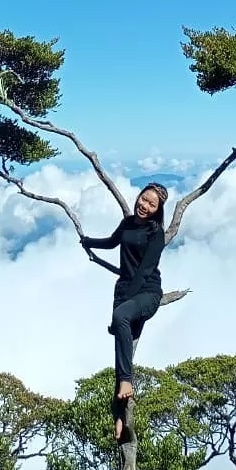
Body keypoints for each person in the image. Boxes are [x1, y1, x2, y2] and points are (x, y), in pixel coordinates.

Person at [81, 182, 169, 439]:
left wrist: (122, 309)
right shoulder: (128, 223)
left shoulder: (157, 234)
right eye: (144, 199)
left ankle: (127, 383)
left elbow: (143, 272)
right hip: (124, 293)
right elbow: (111, 242)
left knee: (120, 321)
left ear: (157, 210)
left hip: (147, 293)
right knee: (122, 353)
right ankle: (120, 418)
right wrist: (88, 242)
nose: (145, 206)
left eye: (152, 205)